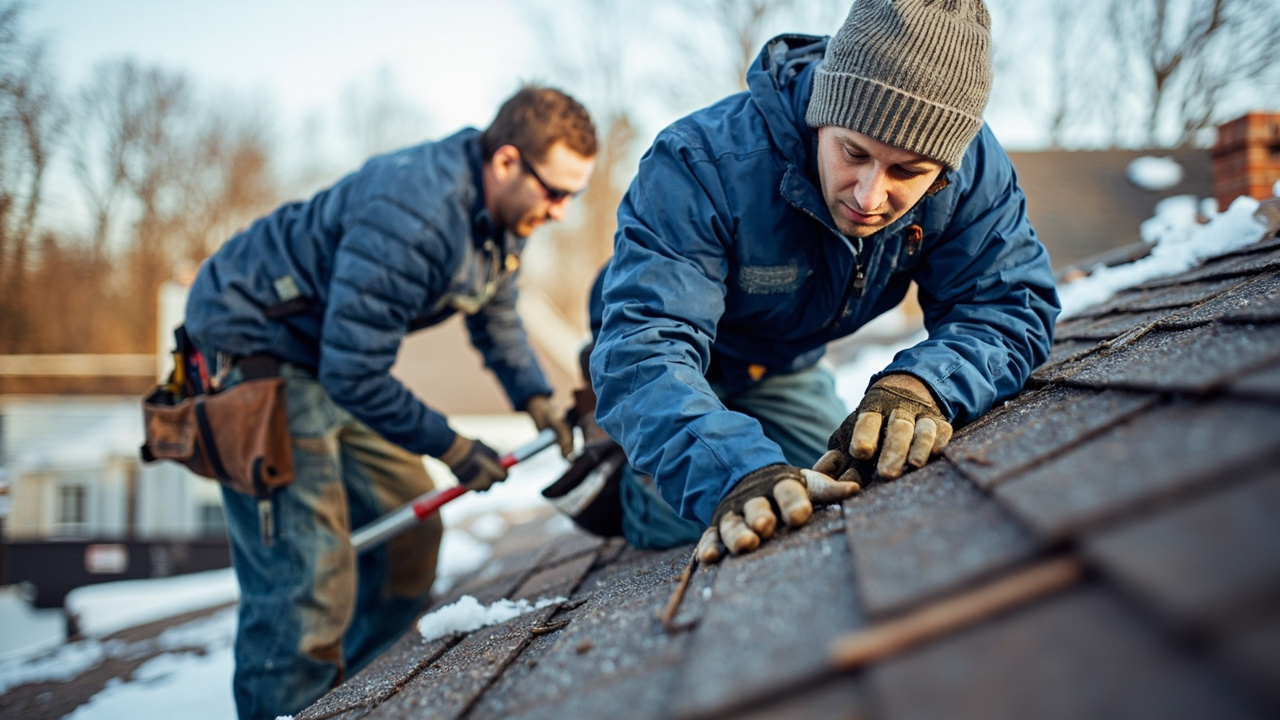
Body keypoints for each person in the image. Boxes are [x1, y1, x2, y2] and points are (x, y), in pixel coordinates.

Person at [587, 0, 1058, 560]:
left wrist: (924, 385)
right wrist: (735, 474)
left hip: (782, 363)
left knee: (837, 486)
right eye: (853, 152)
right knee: (732, 499)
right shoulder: (698, 163)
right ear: (819, 114)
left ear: (945, 168)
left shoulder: (973, 173)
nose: (868, 196)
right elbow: (645, 348)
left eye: (907, 172)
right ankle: (630, 490)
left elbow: (1009, 303)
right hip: (672, 360)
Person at [183, 85, 596, 720]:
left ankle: (342, 701)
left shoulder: (506, 217)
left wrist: (534, 397)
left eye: (575, 194)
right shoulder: (416, 212)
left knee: (412, 534)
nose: (564, 211)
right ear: (508, 162)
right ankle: (287, 705)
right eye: (556, 192)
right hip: (255, 345)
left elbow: (498, 315)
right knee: (304, 575)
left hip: (326, 357)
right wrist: (454, 447)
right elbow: (355, 373)